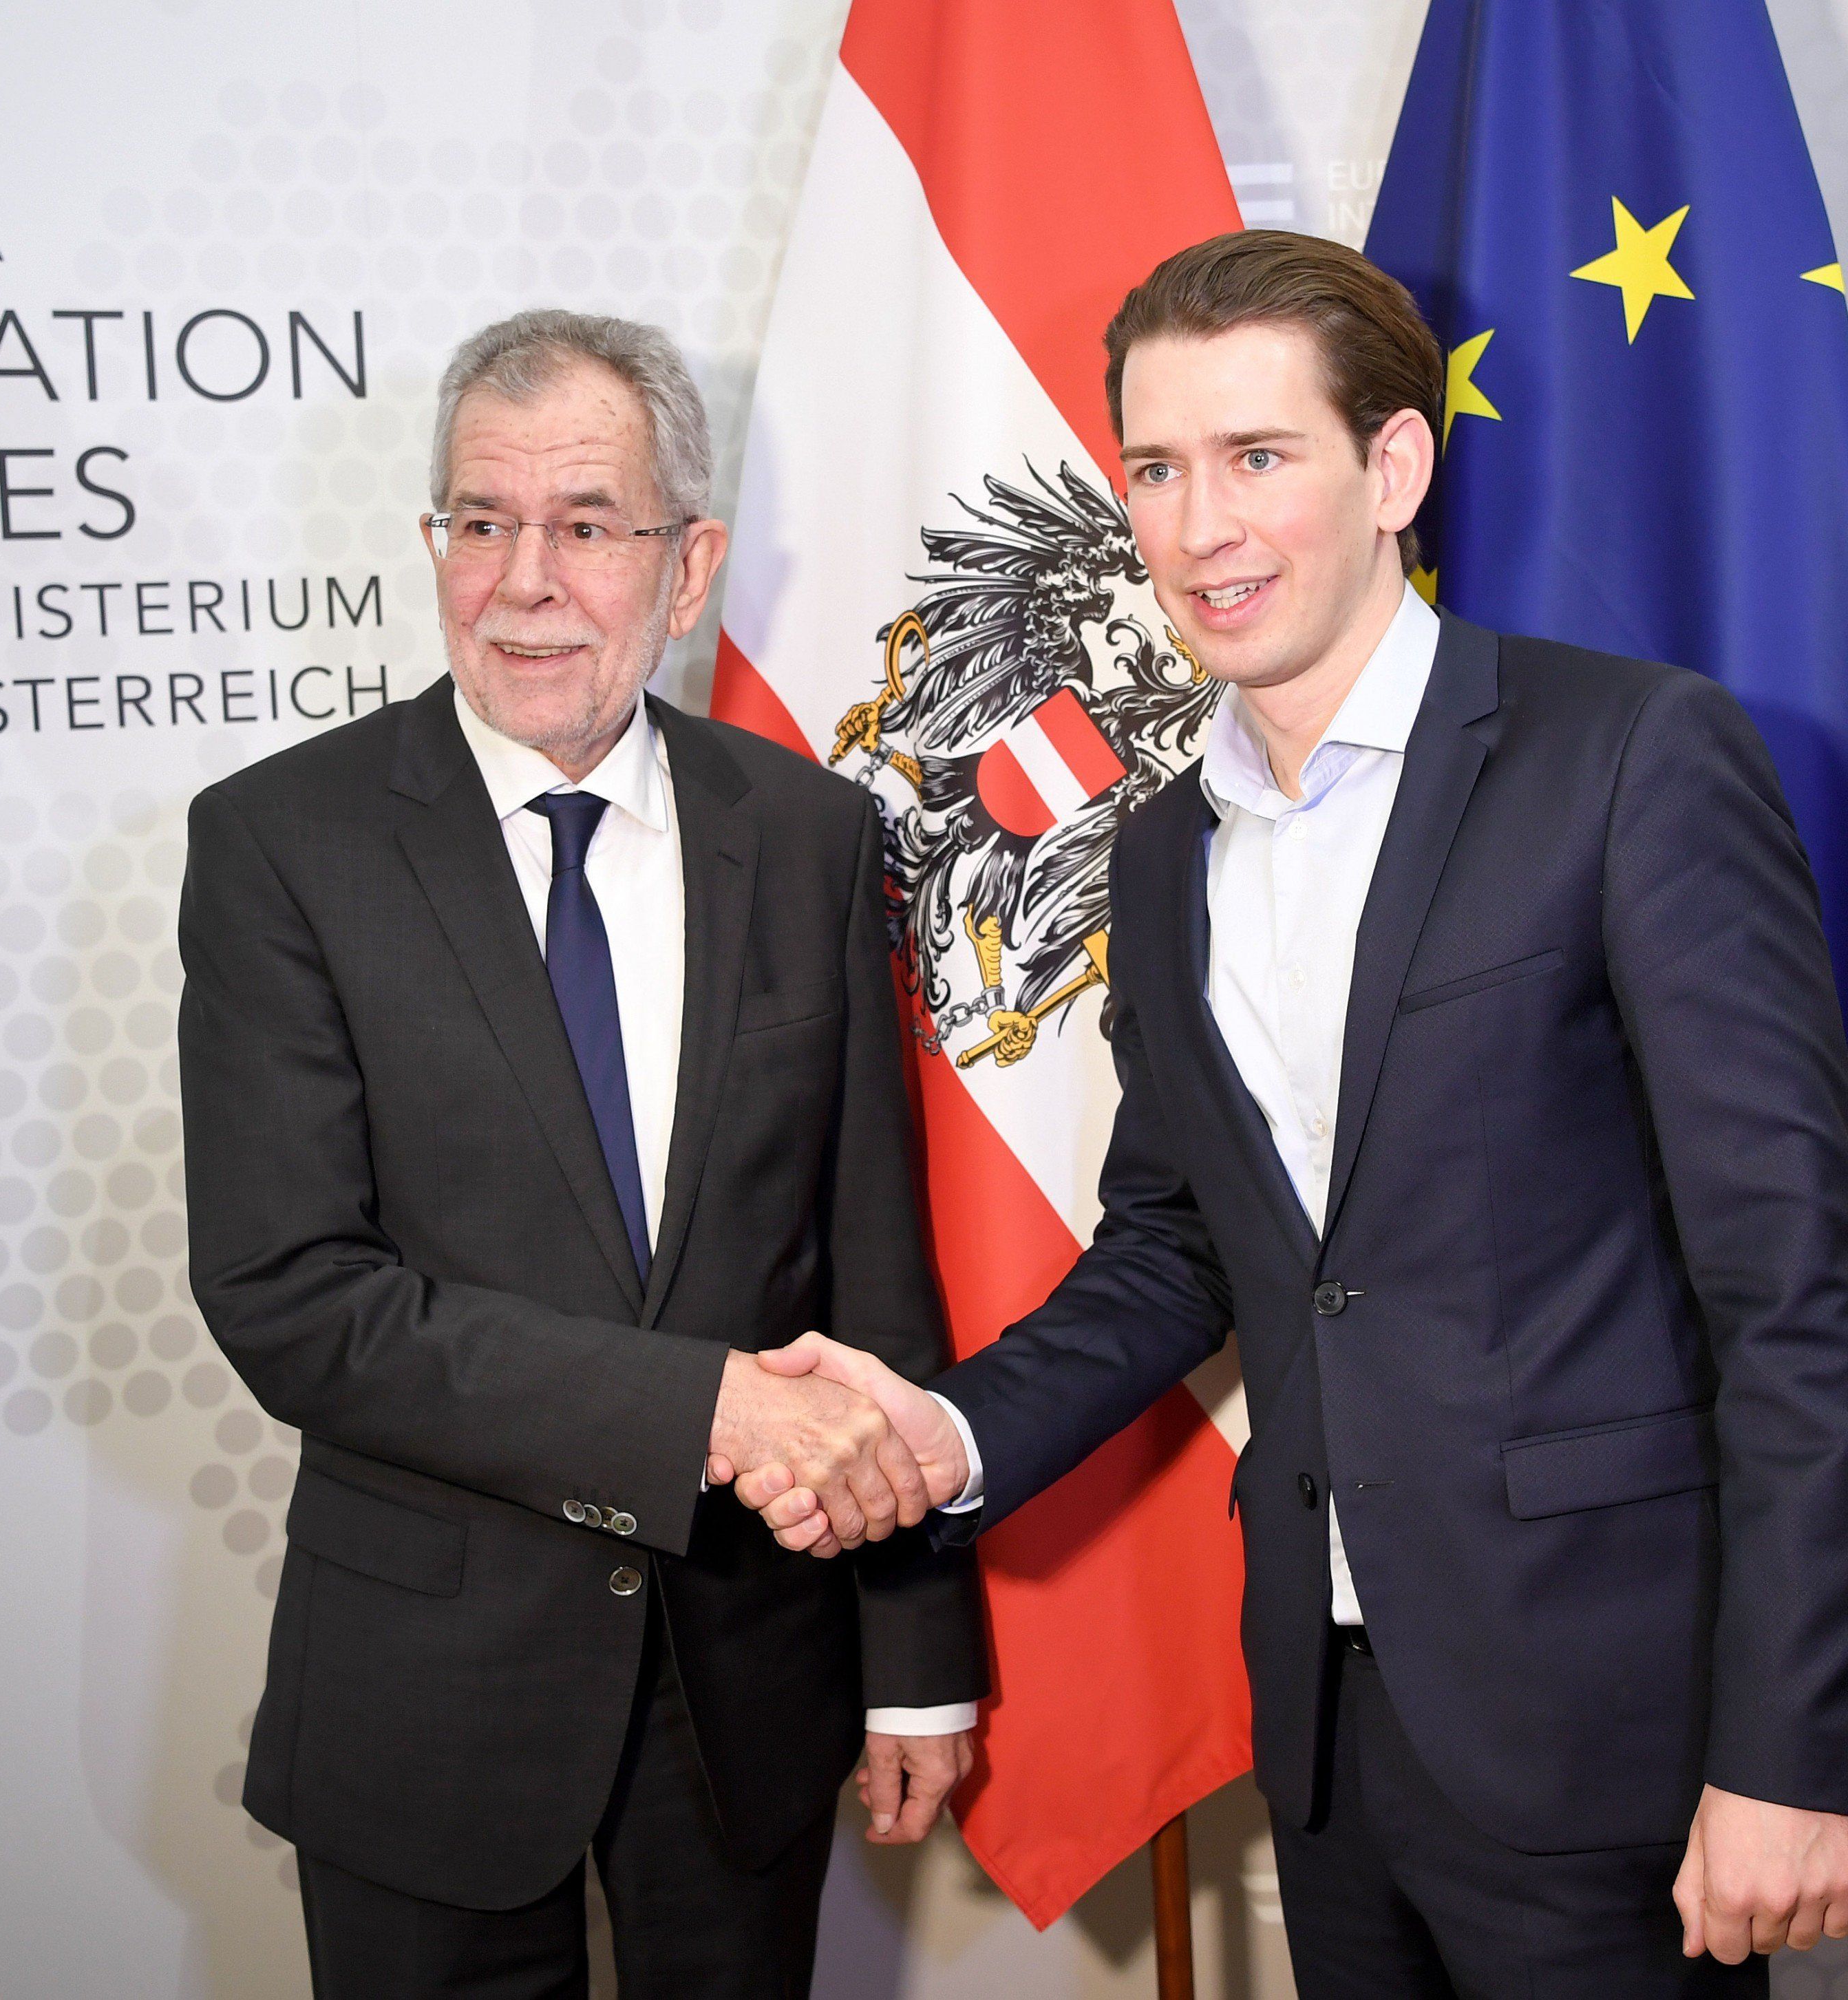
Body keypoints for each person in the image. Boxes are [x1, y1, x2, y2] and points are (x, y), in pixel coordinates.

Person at [732, 233, 1848, 1993]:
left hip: (1607, 1738)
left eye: (1258, 458)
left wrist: (1791, 1752)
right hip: (1322, 1732)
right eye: (1157, 469)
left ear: (1391, 466)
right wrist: (942, 1441)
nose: (1196, 528)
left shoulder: (1631, 756)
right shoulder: (1164, 844)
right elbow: (1177, 1245)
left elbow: (1801, 1297)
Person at [178, 308, 984, 1999]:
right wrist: (703, 1413)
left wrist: (914, 1657)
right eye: (482, 521)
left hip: (750, 1689)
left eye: (584, 524)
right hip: (427, 1695)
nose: (524, 579)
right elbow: (294, 1299)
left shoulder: (814, 837)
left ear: (686, 569)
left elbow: (872, 1269)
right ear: (433, 546)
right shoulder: (281, 846)